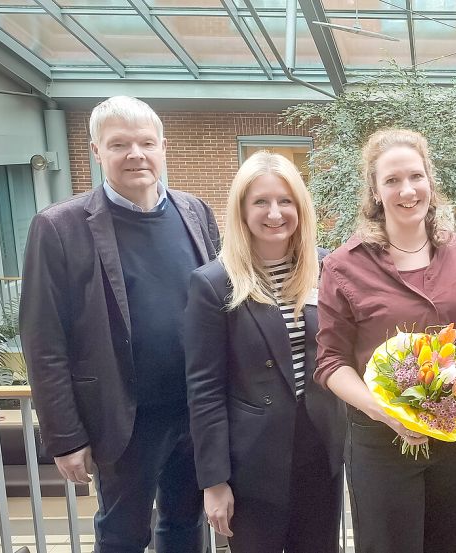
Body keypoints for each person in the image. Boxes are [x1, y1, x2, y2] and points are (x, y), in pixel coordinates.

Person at [19, 96, 216, 552]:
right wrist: (66, 437)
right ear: (96, 150)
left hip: (196, 410)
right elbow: (43, 341)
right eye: (119, 144)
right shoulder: (59, 228)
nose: (136, 155)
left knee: (187, 528)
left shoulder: (196, 212)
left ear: (163, 147)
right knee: (122, 535)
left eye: (147, 142)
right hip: (123, 420)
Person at [315, 128, 456, 553]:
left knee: (450, 544)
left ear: (430, 182)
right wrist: (386, 413)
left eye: (416, 177)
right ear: (375, 190)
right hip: (381, 441)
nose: (407, 190)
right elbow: (330, 362)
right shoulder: (343, 266)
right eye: (392, 180)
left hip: (452, 436)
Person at [183, 151, 343, 552]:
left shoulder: (327, 270)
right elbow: (204, 389)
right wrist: (214, 482)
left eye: (285, 201)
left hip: (319, 454)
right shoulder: (214, 283)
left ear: (300, 207)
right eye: (261, 202)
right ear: (242, 209)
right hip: (251, 464)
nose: (275, 213)